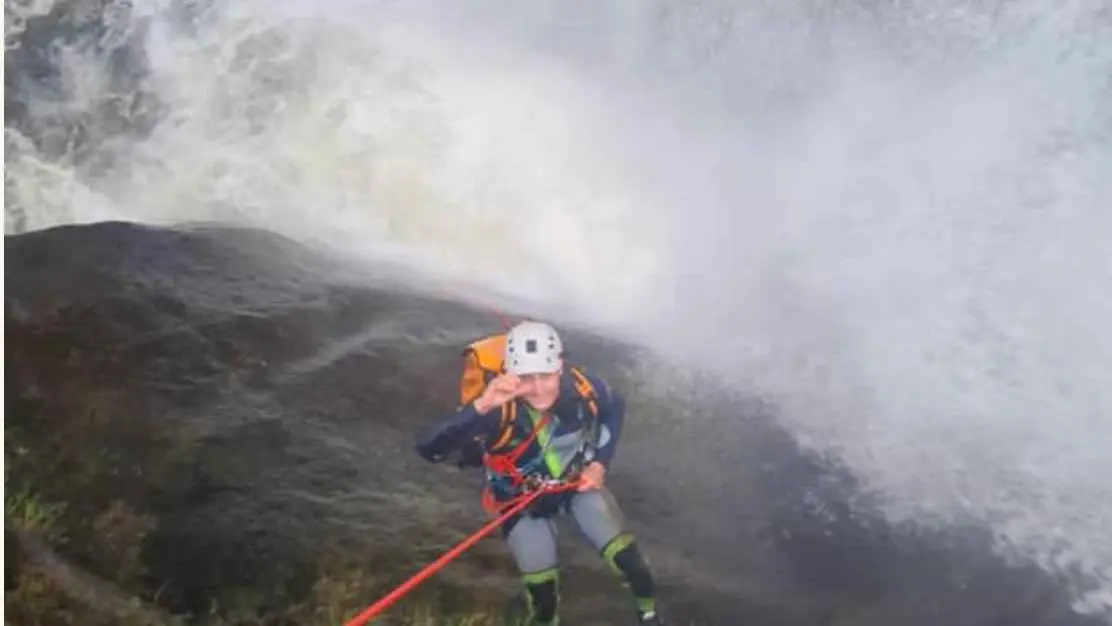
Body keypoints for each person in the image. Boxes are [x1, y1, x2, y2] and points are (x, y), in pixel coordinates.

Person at [414, 320, 665, 625]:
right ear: (511, 375)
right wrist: (482, 406)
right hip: (520, 502)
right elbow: (430, 449)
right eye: (525, 378)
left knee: (630, 564)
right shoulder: (498, 410)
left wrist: (600, 463)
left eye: (545, 376)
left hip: (576, 484)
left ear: (560, 368)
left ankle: (649, 615)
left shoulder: (585, 389)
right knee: (543, 599)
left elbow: (615, 407)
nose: (537, 388)